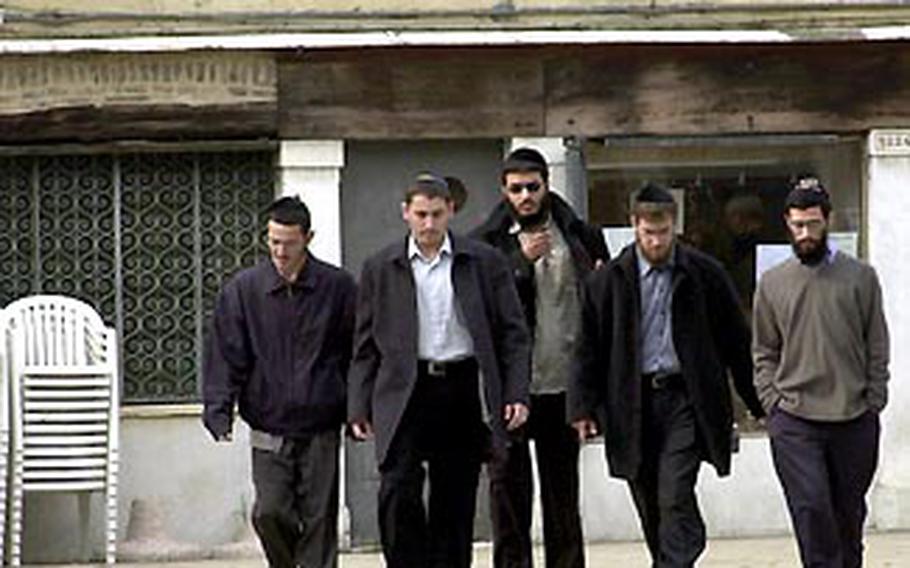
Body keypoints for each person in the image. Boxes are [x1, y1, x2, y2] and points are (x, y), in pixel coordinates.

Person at [570, 183, 765, 568]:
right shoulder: (607, 282)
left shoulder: (704, 274)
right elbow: (586, 349)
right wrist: (582, 407)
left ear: (674, 226)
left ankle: (676, 557)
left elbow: (735, 342)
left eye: (662, 233)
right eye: (648, 233)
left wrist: (756, 400)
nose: (656, 242)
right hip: (631, 400)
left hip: (685, 397)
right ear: (634, 227)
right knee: (648, 496)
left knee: (674, 489)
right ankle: (672, 556)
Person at [348, 172, 531, 568]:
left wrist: (515, 392)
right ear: (405, 214)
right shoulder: (381, 267)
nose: (428, 224)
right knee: (397, 491)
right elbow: (364, 346)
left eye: (436, 214)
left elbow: (514, 335)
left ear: (450, 211)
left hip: (460, 388)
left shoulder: (483, 262)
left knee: (455, 497)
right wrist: (358, 404)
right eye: (420, 215)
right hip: (403, 390)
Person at [472, 147, 609, 568]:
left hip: (563, 383)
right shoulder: (485, 243)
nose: (526, 196)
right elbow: (480, 308)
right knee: (508, 497)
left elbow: (597, 307)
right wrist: (519, 263)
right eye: (517, 189)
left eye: (533, 186)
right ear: (504, 190)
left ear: (547, 185)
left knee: (562, 496)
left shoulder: (578, 234)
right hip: (513, 387)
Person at [202, 195, 356, 568]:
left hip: (321, 422)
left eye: (288, 242)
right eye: (273, 241)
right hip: (268, 421)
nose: (280, 251)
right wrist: (218, 408)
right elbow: (225, 353)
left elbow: (357, 352)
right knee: (269, 512)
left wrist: (357, 408)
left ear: (308, 238)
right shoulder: (245, 290)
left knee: (320, 519)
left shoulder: (338, 287)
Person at [752, 177, 889, 567]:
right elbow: (764, 349)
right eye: (797, 225)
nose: (805, 233)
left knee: (848, 519)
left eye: (812, 224)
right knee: (811, 510)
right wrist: (772, 402)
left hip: (853, 416)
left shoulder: (860, 277)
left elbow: (876, 341)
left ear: (827, 221)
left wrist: (874, 398)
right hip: (795, 418)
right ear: (786, 224)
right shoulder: (773, 283)